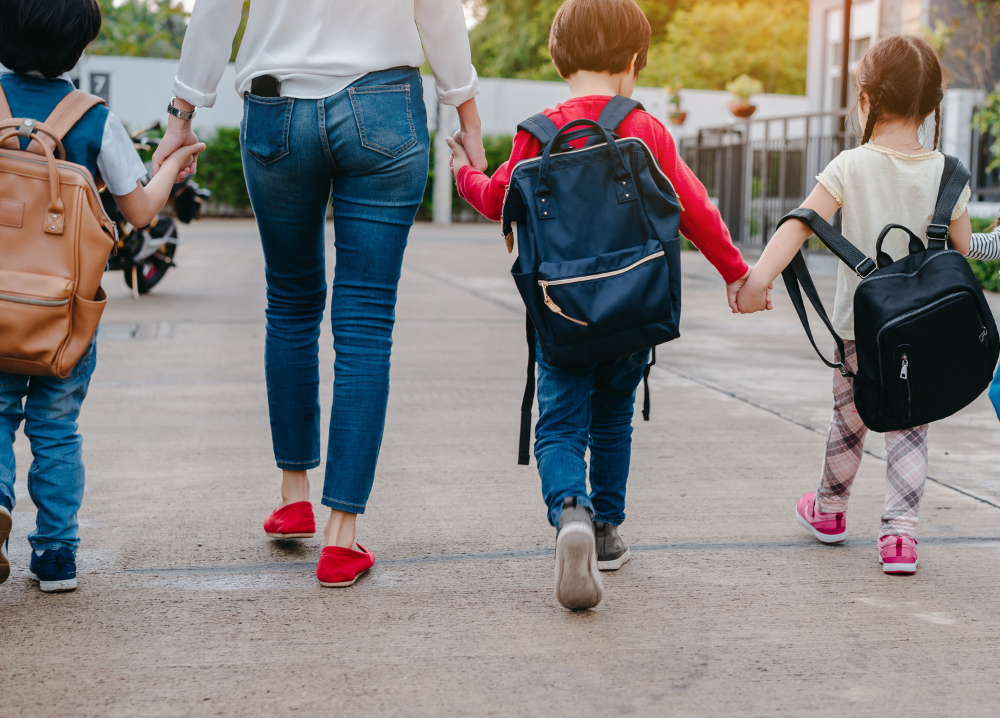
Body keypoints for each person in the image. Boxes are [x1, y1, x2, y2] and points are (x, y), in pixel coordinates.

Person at [152, 0, 485, 588]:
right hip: (385, 107)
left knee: (291, 302)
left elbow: (216, 11)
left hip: (277, 108)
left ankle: (293, 496)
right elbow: (437, 10)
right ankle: (341, 537)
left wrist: (181, 115)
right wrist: (466, 111)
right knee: (365, 323)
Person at [447, 0, 753, 609]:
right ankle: (607, 533)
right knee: (614, 417)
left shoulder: (538, 133)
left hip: (562, 314)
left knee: (560, 423)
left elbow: (494, 200)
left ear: (560, 60)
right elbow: (696, 210)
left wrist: (463, 171)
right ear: (634, 61)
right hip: (635, 310)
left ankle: (572, 514)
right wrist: (737, 274)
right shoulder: (645, 129)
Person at [737, 34, 972, 575]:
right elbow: (963, 249)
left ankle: (830, 511)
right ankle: (900, 539)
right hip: (926, 333)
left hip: (858, 331)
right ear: (934, 105)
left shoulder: (849, 165)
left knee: (849, 422)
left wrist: (758, 280)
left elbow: (800, 222)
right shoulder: (949, 174)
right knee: (911, 428)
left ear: (865, 100)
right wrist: (993, 241)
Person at [0, 0, 204, 592]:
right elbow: (139, 210)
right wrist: (175, 165)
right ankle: (57, 555)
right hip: (64, 315)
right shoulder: (93, 118)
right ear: (79, 47)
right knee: (57, 429)